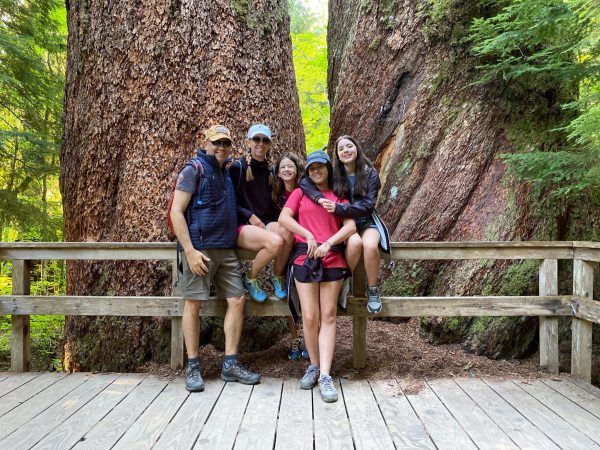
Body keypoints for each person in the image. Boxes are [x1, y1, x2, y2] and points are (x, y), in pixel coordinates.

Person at [170, 124, 261, 392]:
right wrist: (189, 250)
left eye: (226, 143)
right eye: (216, 143)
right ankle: (194, 367)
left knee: (237, 299)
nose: (221, 148)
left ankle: (230, 364)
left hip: (226, 248)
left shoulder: (227, 172)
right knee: (194, 304)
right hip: (200, 249)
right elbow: (177, 212)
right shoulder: (193, 169)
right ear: (206, 143)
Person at [279, 150, 356, 403]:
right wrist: (308, 235)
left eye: (319, 167)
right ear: (308, 172)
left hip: (332, 257)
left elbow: (350, 226)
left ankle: (325, 374)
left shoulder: (338, 194)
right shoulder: (300, 193)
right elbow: (284, 218)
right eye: (311, 169)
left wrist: (328, 242)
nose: (315, 172)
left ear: (327, 168)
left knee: (328, 316)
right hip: (305, 259)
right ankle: (313, 364)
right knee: (310, 316)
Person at [300, 136, 383, 313]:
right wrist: (319, 199)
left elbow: (368, 206)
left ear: (356, 148)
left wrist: (339, 208)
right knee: (355, 243)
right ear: (337, 154)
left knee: (369, 246)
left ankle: (373, 289)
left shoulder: (369, 174)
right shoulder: (336, 174)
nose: (346, 150)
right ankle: (345, 278)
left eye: (349, 146)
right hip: (344, 224)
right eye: (341, 149)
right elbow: (304, 181)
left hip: (366, 221)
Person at [229, 124, 291, 303]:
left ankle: (277, 276)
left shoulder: (272, 170)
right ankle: (250, 277)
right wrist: (249, 215)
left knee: (287, 233)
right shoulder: (237, 168)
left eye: (265, 140)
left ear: (269, 144)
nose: (260, 143)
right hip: (242, 225)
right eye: (256, 139)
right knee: (276, 242)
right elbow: (227, 202)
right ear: (249, 142)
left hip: (266, 222)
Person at [272, 153, 309, 360]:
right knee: (288, 295)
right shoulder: (275, 194)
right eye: (283, 167)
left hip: (303, 247)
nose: (287, 170)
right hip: (285, 249)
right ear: (278, 171)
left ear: (297, 169)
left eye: (290, 166)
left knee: (308, 297)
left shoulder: (305, 189)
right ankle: (295, 339)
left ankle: (310, 339)